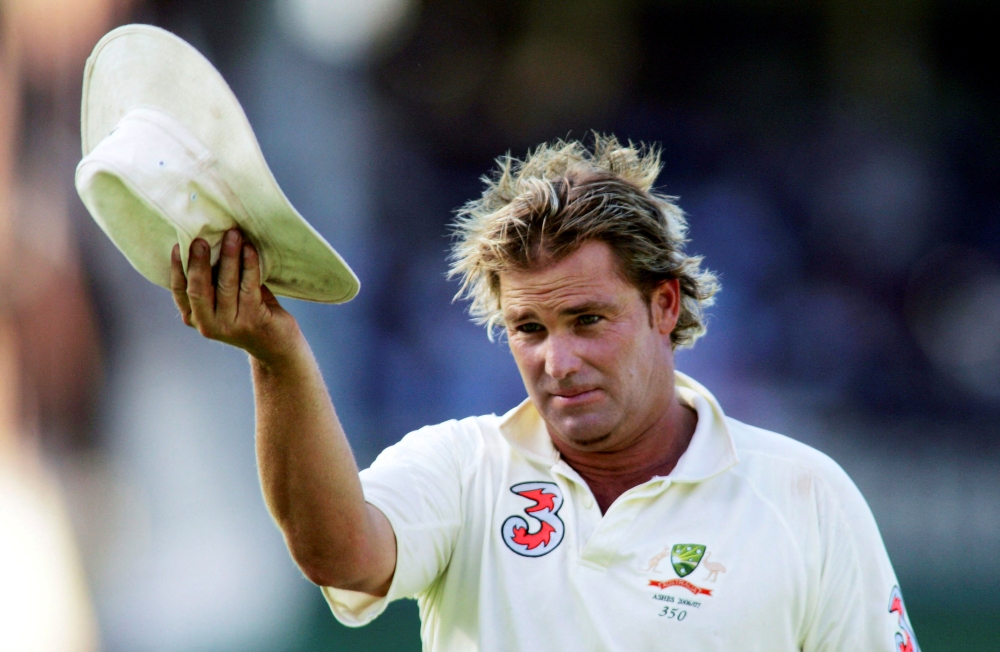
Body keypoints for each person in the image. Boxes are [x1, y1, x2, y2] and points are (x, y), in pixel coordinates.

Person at [169, 135, 918, 651]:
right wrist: (277, 356)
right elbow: (339, 554)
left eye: (588, 320)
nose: (558, 360)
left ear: (664, 305)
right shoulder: (463, 469)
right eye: (528, 327)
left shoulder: (805, 496)